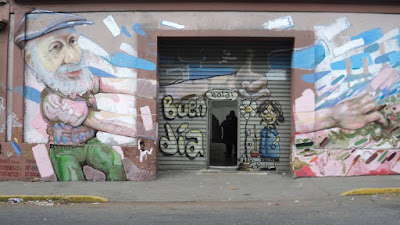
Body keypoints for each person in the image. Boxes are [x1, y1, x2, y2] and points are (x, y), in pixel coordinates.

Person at [14, 10, 138, 181]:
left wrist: (149, 88)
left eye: (72, 42)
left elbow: (109, 84)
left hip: (90, 143)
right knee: (72, 181)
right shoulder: (51, 101)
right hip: (64, 150)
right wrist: (141, 128)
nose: (73, 57)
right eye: (55, 47)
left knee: (115, 163)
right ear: (31, 60)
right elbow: (84, 115)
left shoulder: (81, 83)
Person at [256, 100, 284, 170]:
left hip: (272, 147)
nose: (268, 115)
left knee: (272, 156)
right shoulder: (264, 129)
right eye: (265, 113)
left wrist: (274, 142)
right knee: (265, 157)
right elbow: (261, 137)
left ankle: (273, 166)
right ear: (260, 115)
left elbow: (278, 137)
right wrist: (257, 139)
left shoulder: (273, 130)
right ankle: (266, 166)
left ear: (277, 114)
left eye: (272, 112)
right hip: (264, 147)